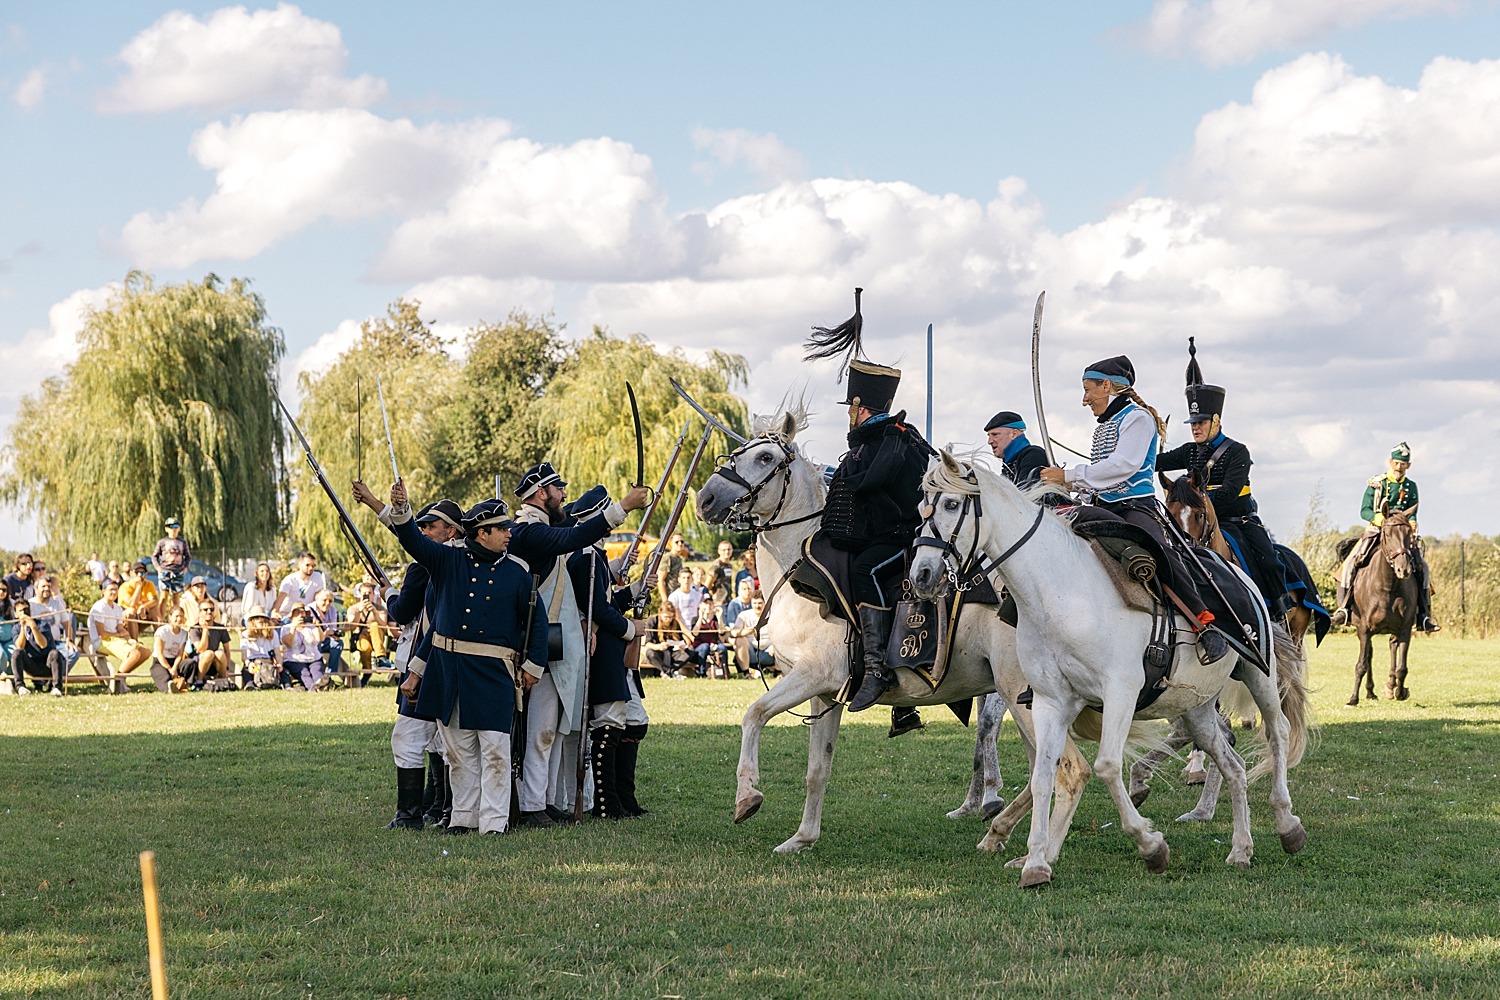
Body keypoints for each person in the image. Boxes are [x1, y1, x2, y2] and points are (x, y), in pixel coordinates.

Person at [1039, 355, 1227, 661]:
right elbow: (1101, 475)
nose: (1085, 399)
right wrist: (1069, 485)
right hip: (1102, 505)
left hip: (1134, 508)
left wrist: (1071, 475)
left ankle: (1203, 623)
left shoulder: (1138, 418)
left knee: (1163, 553)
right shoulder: (1106, 425)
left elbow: (1123, 466)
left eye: (1089, 390)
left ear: (1108, 386)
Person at [804, 289, 937, 714]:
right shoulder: (875, 439)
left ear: (860, 406)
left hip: (901, 537)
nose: (848, 412)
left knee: (866, 570)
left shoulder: (893, 439)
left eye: (851, 406)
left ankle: (879, 668)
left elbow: (867, 483)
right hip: (875, 533)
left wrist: (841, 469)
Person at [392, 487, 550, 836]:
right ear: (482, 533)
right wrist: (401, 510)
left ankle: (493, 823)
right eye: (502, 528)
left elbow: (535, 623)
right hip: (450, 671)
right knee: (458, 751)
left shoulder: (518, 573)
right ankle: (463, 817)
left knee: (495, 749)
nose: (510, 533)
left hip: (494, 672)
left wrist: (532, 667)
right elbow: (414, 544)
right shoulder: (449, 561)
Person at [510, 462, 650, 828]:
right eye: (558, 489)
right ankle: (530, 804)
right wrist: (621, 508)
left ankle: (545, 801)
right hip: (541, 639)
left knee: (555, 728)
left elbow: (573, 532)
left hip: (556, 639)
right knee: (541, 728)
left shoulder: (546, 527)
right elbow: (571, 538)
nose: (564, 494)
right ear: (542, 493)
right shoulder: (528, 530)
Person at [353, 480, 466, 831]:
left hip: (429, 661)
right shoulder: (460, 558)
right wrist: (374, 501)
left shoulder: (433, 563)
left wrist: (388, 595)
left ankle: (418, 813)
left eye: (431, 526)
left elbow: (402, 612)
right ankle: (435, 809)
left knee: (428, 740)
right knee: (435, 741)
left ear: (451, 531)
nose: (424, 531)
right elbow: (407, 534)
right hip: (433, 659)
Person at [1156, 339, 1296, 616]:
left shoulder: (1237, 451)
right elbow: (1154, 463)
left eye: (1201, 423)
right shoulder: (1188, 451)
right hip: (1199, 523)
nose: (1196, 428)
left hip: (1238, 521)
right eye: (1193, 424)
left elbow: (1231, 492)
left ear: (1216, 421)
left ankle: (1278, 611)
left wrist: (1197, 500)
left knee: (1267, 560)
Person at [564, 487, 643, 819]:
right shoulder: (585, 556)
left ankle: (618, 800)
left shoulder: (593, 555)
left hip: (609, 648)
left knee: (626, 721)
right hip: (603, 649)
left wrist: (637, 589)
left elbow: (608, 602)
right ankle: (607, 803)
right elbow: (598, 610)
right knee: (608, 722)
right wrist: (631, 629)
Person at [1331, 442, 1440, 632]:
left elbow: (1413, 509)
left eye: (1403, 464)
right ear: (1390, 462)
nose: (1399, 467)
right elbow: (1364, 510)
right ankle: (1344, 609)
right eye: (1396, 463)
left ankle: (1423, 615)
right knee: (1350, 563)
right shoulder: (1377, 483)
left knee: (1423, 567)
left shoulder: (1411, 486)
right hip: (1377, 528)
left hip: (1401, 533)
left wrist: (1413, 521)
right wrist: (1379, 518)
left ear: (1409, 466)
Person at [89, 580, 152, 691]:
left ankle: (119, 678)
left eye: (116, 589)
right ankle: (117, 682)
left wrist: (129, 639)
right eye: (111, 589)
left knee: (145, 652)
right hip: (102, 641)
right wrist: (119, 634)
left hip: (115, 639)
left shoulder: (117, 608)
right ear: (103, 591)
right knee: (134, 654)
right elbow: (102, 634)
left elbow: (120, 628)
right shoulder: (99, 607)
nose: (114, 592)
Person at [986, 411, 1050, 489]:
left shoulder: (1034, 456)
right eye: (989, 436)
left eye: (995, 435)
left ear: (1014, 434)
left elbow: (1023, 497)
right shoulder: (1010, 464)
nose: (989, 441)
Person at [14, 601, 66, 696]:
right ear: (16, 614)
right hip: (31, 664)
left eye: (26, 610)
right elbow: (20, 646)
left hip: (47, 663)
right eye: (21, 611)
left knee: (55, 653)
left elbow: (43, 645)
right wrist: (23, 627)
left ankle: (57, 687)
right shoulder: (16, 628)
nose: (24, 613)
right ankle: (20, 687)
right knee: (17, 653)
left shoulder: (42, 624)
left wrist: (33, 627)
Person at [345, 580, 390, 681]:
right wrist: (359, 612)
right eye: (364, 593)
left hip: (377, 636)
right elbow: (350, 627)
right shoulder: (353, 609)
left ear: (373, 594)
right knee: (365, 647)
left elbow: (383, 624)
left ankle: (381, 657)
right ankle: (367, 671)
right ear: (359, 594)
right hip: (361, 636)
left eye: (369, 593)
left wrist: (374, 612)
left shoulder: (380, 608)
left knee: (374, 625)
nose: (367, 595)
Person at [641, 602, 696, 677]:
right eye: (666, 617)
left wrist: (681, 646)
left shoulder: (675, 622)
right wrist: (659, 646)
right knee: (650, 653)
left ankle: (670, 671)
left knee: (691, 651)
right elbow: (648, 643)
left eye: (670, 617)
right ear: (660, 613)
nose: (668, 620)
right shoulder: (652, 622)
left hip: (673, 653)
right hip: (658, 652)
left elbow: (681, 641)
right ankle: (669, 672)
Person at [728, 592, 776, 677]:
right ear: (751, 603)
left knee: (780, 642)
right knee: (739, 640)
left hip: (769, 651)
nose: (757, 606)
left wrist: (775, 645)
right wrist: (749, 630)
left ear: (765, 603)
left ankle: (778, 672)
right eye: (755, 603)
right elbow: (734, 632)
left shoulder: (772, 615)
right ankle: (746, 673)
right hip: (751, 651)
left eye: (760, 603)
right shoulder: (744, 615)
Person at [188, 598, 233, 687]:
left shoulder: (220, 628)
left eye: (212, 609)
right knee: (209, 653)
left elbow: (227, 650)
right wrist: (205, 629)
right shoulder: (194, 629)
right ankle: (198, 682)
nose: (209, 612)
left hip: (215, 661)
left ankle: (222, 681)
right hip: (199, 662)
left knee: (220, 653)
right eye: (205, 610)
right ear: (200, 612)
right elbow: (201, 649)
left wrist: (226, 667)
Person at [280, 603, 325, 690]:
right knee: (304, 673)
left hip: (313, 658)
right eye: (297, 613)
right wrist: (294, 628)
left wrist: (318, 626)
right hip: (294, 659)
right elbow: (288, 643)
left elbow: (321, 639)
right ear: (292, 616)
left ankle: (320, 686)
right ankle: (312, 689)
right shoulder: (286, 628)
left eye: (302, 613)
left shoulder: (311, 627)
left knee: (317, 673)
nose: (300, 615)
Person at [152, 516, 192, 615]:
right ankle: (160, 621)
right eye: (170, 526)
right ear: (166, 528)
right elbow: (154, 556)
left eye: (175, 526)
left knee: (176, 597)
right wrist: (158, 568)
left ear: (179, 528)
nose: (173, 529)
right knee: (164, 596)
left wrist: (186, 568)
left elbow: (188, 557)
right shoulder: (162, 542)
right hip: (165, 571)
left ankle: (176, 618)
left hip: (178, 572)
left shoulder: (183, 542)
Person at [149, 605, 194, 693]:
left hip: (175, 661)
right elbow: (160, 654)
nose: (179, 619)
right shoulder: (162, 631)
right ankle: (169, 688)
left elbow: (180, 654)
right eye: (176, 616)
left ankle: (189, 684)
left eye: (181, 616)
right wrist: (170, 669)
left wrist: (174, 667)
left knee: (190, 663)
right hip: (160, 662)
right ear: (170, 617)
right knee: (164, 676)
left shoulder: (184, 634)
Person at [241, 607, 281, 689]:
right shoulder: (245, 635)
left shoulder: (274, 634)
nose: (260, 620)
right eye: (256, 618)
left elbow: (277, 653)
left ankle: (287, 686)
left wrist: (280, 663)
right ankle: (250, 686)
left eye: (262, 617)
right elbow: (244, 656)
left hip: (269, 662)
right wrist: (249, 664)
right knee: (246, 670)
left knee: (282, 670)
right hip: (254, 663)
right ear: (252, 621)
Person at [311, 588, 344, 685]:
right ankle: (318, 674)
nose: (327, 603)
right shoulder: (309, 609)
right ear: (317, 600)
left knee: (338, 644)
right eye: (324, 600)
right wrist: (324, 634)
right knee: (317, 646)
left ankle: (329, 674)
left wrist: (334, 634)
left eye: (330, 601)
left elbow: (333, 627)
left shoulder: (332, 609)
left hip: (326, 639)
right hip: (312, 640)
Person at [119, 562, 162, 638]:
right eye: (137, 572)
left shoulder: (149, 584)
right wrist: (139, 586)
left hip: (141, 616)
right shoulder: (125, 587)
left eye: (142, 572)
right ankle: (135, 642)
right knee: (131, 611)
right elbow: (132, 604)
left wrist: (143, 606)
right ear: (131, 573)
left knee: (155, 610)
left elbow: (155, 600)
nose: (139, 575)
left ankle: (161, 640)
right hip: (126, 620)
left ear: (146, 574)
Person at [655, 534, 691, 605]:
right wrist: (665, 601)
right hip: (671, 597)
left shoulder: (679, 558)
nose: (680, 544)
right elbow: (660, 580)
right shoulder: (667, 558)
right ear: (671, 543)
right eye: (677, 542)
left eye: (682, 541)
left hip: (679, 596)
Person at [666, 568, 704, 633]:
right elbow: (676, 618)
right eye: (684, 578)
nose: (686, 580)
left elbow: (699, 613)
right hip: (679, 629)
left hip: (696, 627)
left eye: (688, 578)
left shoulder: (698, 595)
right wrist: (687, 633)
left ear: (692, 579)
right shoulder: (674, 596)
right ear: (679, 580)